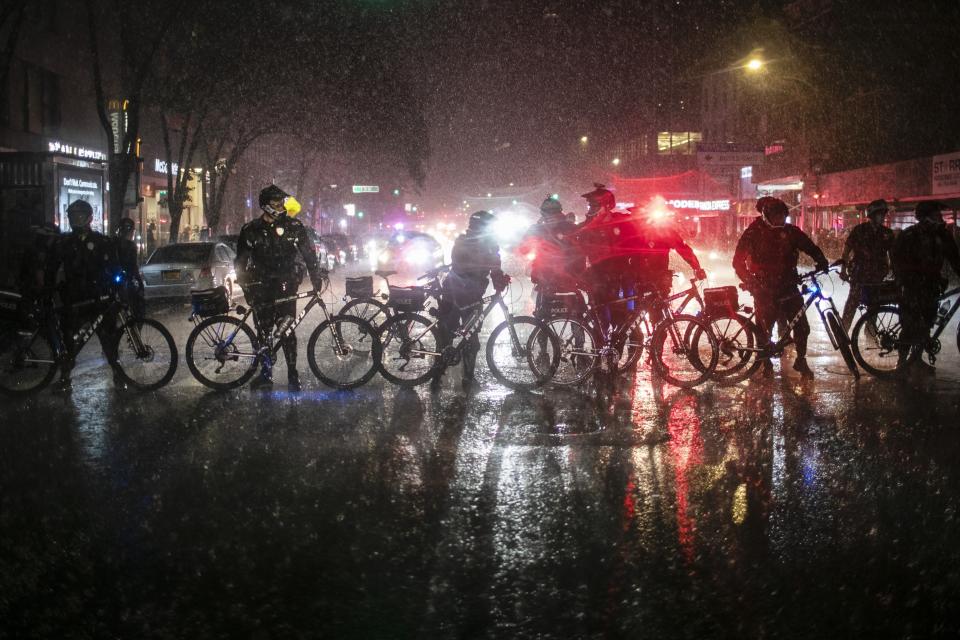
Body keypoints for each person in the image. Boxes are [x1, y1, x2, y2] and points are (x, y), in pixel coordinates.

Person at [235, 184, 325, 391]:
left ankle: (293, 374)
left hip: (286, 287)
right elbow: (240, 262)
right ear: (266, 205)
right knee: (264, 331)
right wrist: (246, 288)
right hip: (261, 286)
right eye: (276, 202)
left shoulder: (294, 226)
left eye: (282, 201)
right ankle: (266, 374)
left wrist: (316, 277)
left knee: (287, 331)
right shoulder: (251, 230)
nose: (281, 206)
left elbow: (309, 254)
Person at [733, 196, 829, 379]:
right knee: (764, 328)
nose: (780, 221)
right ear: (767, 216)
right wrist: (752, 282)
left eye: (783, 217)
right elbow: (737, 262)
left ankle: (801, 360)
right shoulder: (753, 232)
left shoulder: (791, 232)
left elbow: (809, 246)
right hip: (764, 288)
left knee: (802, 326)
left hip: (789, 286)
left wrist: (821, 259)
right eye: (776, 217)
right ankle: (765, 361)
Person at [433, 210, 509, 391]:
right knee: (471, 336)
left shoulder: (461, 240)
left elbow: (458, 263)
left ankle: (437, 374)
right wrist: (500, 281)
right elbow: (494, 266)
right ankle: (468, 377)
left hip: (452, 290)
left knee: (446, 332)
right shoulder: (488, 244)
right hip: (470, 294)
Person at [51, 200, 122, 391]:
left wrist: (117, 284)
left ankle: (118, 373)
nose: (76, 220)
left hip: (98, 297)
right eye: (73, 216)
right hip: (73, 298)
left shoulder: (101, 241)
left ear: (89, 218)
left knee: (108, 339)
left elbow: (112, 267)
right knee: (69, 341)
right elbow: (53, 267)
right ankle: (65, 377)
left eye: (80, 216)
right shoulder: (64, 242)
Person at [890, 200, 960, 374]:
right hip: (912, 287)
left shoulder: (942, 235)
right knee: (910, 324)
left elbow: (955, 258)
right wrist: (905, 279)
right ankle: (902, 362)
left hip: (931, 286)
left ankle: (916, 359)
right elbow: (896, 258)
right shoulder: (910, 234)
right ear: (927, 216)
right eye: (937, 214)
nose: (940, 218)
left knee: (926, 323)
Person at [516, 196, 584, 318]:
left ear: (542, 213)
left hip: (545, 281)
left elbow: (523, 249)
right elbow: (581, 253)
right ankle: (578, 333)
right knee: (576, 318)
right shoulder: (571, 227)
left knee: (542, 320)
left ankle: (543, 334)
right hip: (569, 281)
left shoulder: (537, 229)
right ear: (560, 211)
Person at [839, 199, 895, 330]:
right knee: (851, 306)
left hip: (877, 276)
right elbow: (846, 250)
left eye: (883, 214)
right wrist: (843, 268)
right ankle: (843, 333)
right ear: (872, 215)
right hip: (859, 275)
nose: (883, 217)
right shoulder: (859, 230)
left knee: (874, 308)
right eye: (880, 214)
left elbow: (892, 255)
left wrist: (895, 271)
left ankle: (870, 336)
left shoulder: (887, 233)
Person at [115, 217, 145, 320]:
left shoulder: (113, 243)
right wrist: (139, 283)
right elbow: (133, 266)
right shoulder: (131, 246)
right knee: (137, 309)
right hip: (126, 280)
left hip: (115, 281)